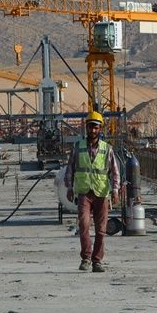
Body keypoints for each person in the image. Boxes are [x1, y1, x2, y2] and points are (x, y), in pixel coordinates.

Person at [65, 110, 120, 273]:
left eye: (96, 127)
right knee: (84, 224)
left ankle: (97, 261)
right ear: (86, 128)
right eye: (90, 127)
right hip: (84, 192)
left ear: (100, 129)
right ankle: (86, 258)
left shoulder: (107, 149)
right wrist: (69, 187)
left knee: (101, 230)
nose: (93, 130)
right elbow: (70, 168)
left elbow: (115, 171)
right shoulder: (78, 147)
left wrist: (115, 190)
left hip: (102, 193)